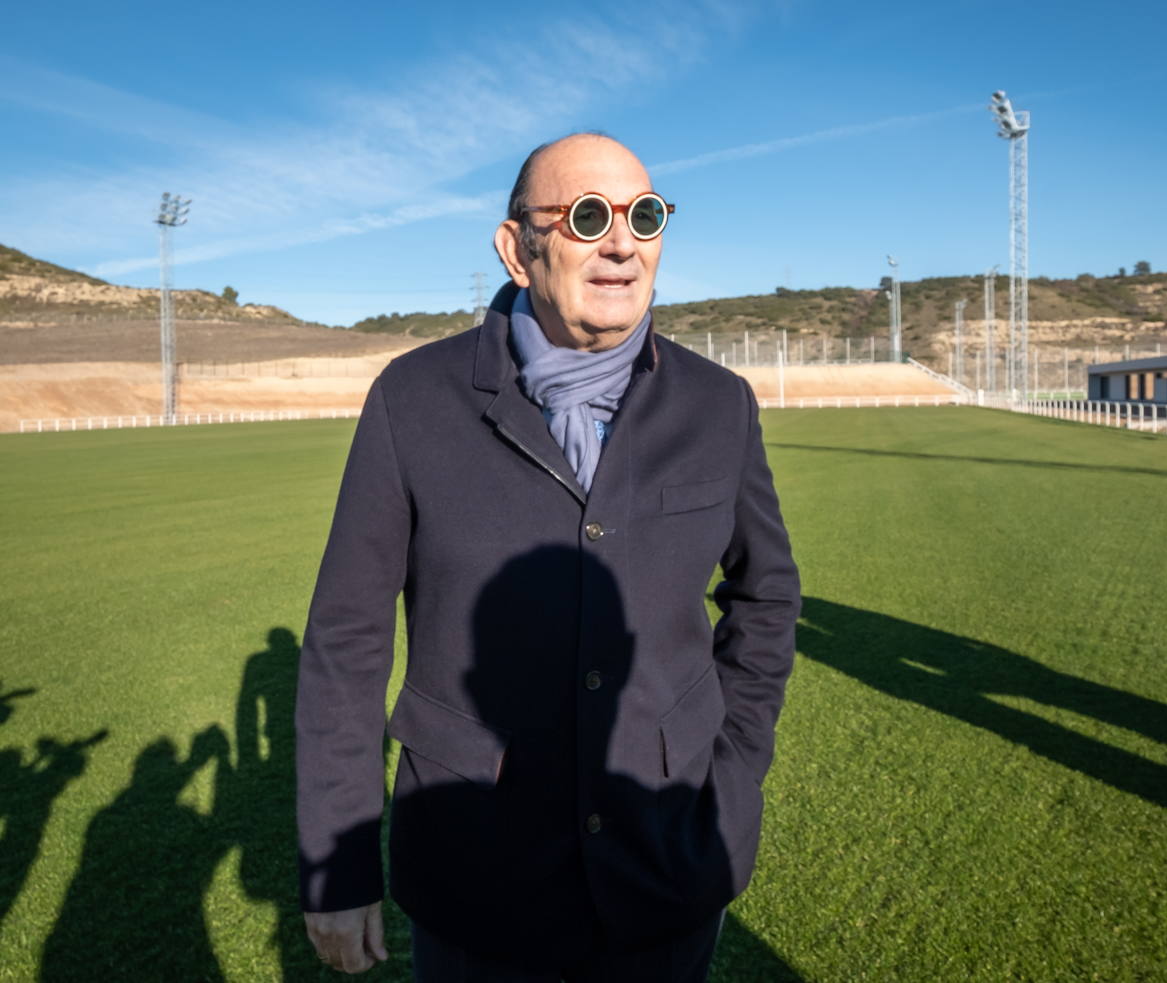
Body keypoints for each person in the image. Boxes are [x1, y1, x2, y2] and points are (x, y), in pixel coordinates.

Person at [296, 132, 801, 981]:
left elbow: (766, 596)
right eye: (589, 216)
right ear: (515, 247)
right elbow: (347, 639)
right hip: (477, 876)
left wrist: (733, 763)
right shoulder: (412, 398)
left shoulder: (720, 405)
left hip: (668, 864)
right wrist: (335, 864)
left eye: (644, 216)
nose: (621, 243)